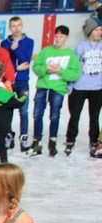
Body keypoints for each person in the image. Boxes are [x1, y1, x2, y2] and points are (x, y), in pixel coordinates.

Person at [30, 25, 80, 157]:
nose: (58, 39)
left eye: (61, 37)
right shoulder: (46, 51)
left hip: (57, 89)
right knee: (37, 114)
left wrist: (60, 70)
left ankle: (52, 141)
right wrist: (46, 69)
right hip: (42, 87)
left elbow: (75, 74)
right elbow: (36, 67)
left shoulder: (71, 55)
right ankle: (37, 140)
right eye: (56, 36)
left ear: (66, 37)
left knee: (54, 115)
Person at [65, 17, 102, 158]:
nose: (99, 32)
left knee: (95, 117)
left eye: (101, 30)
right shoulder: (80, 47)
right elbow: (73, 67)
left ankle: (94, 141)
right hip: (80, 87)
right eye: (97, 30)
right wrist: (71, 86)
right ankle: (70, 140)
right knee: (75, 116)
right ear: (90, 31)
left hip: (97, 87)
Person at [1, 16, 34, 153]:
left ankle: (24, 137)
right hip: (8, 81)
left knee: (24, 110)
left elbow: (25, 61)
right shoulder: (4, 43)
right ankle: (8, 135)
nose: (16, 28)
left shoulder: (29, 42)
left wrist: (16, 49)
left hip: (22, 82)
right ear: (9, 28)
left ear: (22, 26)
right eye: (13, 26)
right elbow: (5, 62)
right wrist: (15, 68)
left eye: (18, 25)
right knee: (7, 110)